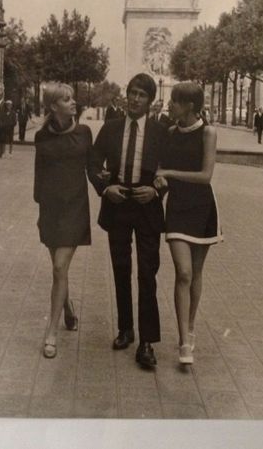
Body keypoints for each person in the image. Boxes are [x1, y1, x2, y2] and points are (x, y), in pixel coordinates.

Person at [88, 73, 166, 369]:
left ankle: (147, 341)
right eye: (132, 93)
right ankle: (125, 328)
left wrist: (157, 189)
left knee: (147, 272)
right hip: (118, 203)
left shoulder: (161, 132)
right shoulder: (110, 128)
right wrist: (105, 188)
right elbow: (93, 162)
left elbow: (169, 169)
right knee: (121, 268)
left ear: (150, 101)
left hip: (147, 206)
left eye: (142, 95)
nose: (135, 99)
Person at [154, 83, 222, 365]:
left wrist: (168, 172)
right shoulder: (170, 133)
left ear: (190, 106)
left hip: (203, 208)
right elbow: (162, 173)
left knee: (195, 273)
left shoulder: (208, 132)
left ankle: (190, 327)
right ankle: (184, 341)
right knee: (183, 272)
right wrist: (160, 180)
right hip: (178, 209)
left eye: (175, 102)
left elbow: (206, 176)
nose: (170, 105)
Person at [34, 82, 93, 359]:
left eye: (73, 99)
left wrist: (108, 187)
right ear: (54, 106)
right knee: (60, 271)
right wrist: (41, 205)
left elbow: (93, 169)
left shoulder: (84, 133)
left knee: (59, 267)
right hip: (51, 211)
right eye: (67, 100)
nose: (73, 103)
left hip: (75, 208)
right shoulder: (42, 137)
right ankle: (68, 309)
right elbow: (39, 173)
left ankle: (51, 333)